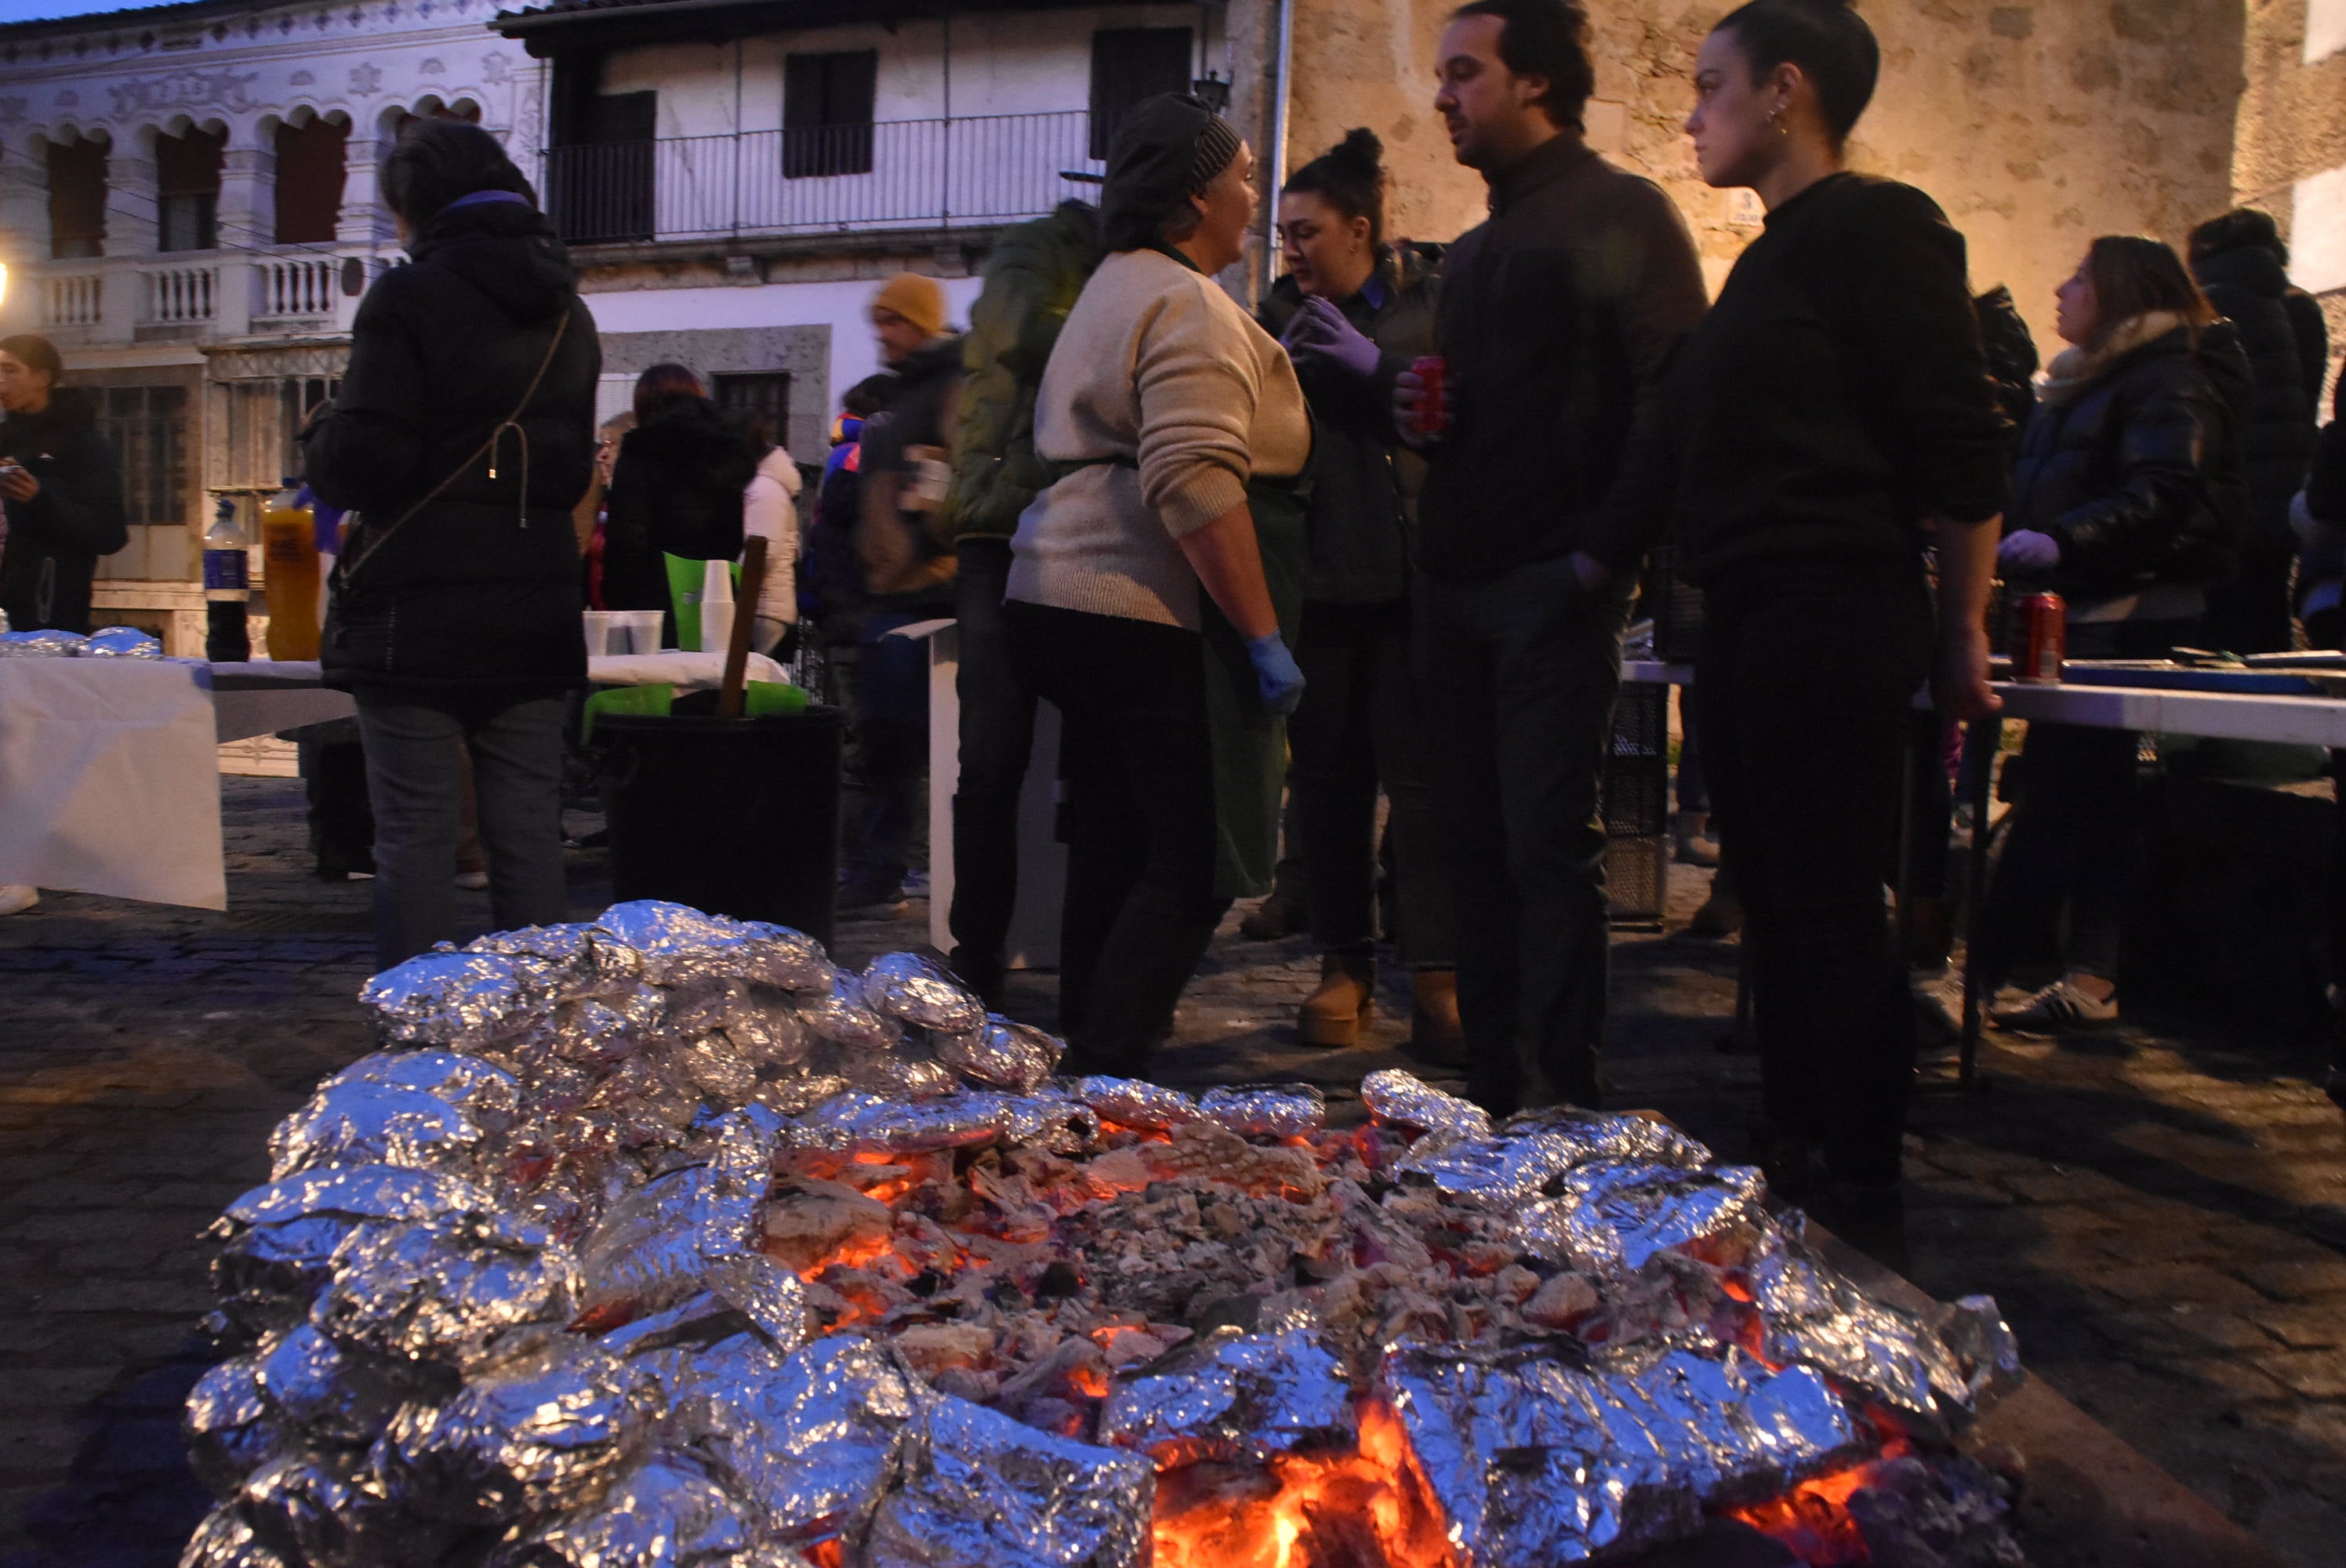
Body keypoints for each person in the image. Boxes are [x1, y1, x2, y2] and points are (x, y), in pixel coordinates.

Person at [1647, 0, 2010, 1248]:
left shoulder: (1878, 226)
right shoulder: (1767, 255)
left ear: (1786, 90)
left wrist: (1963, 626)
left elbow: (1960, 446)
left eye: (1712, 85)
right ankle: (1797, 1152)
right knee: (1779, 900)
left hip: (1830, 602)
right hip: (1750, 611)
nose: (1692, 112)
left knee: (1826, 900)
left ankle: (1858, 1182)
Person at [1393, 0, 1708, 1112]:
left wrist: (1600, 557)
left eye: (1464, 72)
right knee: (1472, 850)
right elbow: (1478, 414)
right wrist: (1422, 410)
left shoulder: (1621, 212)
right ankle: (1492, 1092)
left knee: (1541, 849)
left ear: (1535, 82)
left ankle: (1561, 1096)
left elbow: (1675, 390)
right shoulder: (1475, 251)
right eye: (1442, 75)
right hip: (1464, 582)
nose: (1443, 97)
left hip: (1547, 586)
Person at [1006, 93, 1311, 1078]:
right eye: (1244, 177)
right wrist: (1261, 635)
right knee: (1192, 859)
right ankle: (1108, 1053)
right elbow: (1191, 480)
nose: (1254, 197)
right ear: (1193, 198)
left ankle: (1089, 1043)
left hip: (1060, 594)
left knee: (1113, 834)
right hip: (1138, 603)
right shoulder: (1184, 303)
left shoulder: (1113, 284)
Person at [300, 118, 601, 970]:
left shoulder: (407, 296)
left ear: (416, 208)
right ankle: (540, 1032)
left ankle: (420, 1040)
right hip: (534, 595)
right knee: (528, 835)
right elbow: (571, 466)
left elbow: (366, 460)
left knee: (418, 833)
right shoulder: (566, 309)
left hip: (416, 602)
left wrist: (320, 436)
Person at [1983, 237, 2250, 1036]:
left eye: (2079, 279)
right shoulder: (2090, 381)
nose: (2061, 290)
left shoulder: (2166, 373)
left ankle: (1978, 972)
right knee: (2093, 800)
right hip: (2079, 603)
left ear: (2121, 294)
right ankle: (2083, 976)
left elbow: (2167, 488)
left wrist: (2064, 539)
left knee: (2065, 792)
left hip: (2128, 612)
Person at [1258, 129, 1461, 1054]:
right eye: (1283, 234)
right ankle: (1343, 967)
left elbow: (1456, 427)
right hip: (1323, 589)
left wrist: (1376, 374)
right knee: (1331, 789)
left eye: (1305, 231)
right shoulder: (1274, 317)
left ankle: (1437, 972)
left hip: (1417, 586)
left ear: (1360, 230)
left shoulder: (1430, 308)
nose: (1290, 250)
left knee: (1424, 790)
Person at [943, 197, 1103, 1002]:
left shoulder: (1108, 267)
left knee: (1083, 764)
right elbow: (1010, 339)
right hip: (1006, 529)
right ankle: (977, 955)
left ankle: (1082, 964)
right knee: (995, 761)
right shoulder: (1039, 254)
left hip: (1068, 524)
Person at [839, 274, 964, 913]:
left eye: (893, 322)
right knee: (887, 739)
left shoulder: (949, 386)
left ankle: (900, 867)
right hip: (889, 592)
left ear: (921, 323)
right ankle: (884, 865)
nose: (882, 333)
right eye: (879, 321)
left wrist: (921, 526)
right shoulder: (904, 391)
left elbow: (945, 481)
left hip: (928, 592)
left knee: (911, 741)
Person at [2189, 209, 2326, 655]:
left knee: (2217, 617)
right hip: (2282, 484)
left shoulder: (2206, 311)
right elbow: (2305, 394)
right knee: (2266, 607)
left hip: (2223, 484)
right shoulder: (2298, 305)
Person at [601, 365, 757, 644]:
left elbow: (627, 539)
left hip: (652, 602)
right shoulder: (726, 450)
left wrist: (616, 598)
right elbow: (733, 537)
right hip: (714, 596)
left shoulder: (642, 448)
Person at [0, 334, 127, 639]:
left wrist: (40, 499)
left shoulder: (84, 446)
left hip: (50, 621)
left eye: (9, 370)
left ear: (41, 378)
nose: (0, 380)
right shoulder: (4, 438)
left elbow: (110, 534)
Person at [740, 414, 802, 659]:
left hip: (764, 608)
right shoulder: (766, 486)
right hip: (764, 607)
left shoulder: (765, 490)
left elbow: (761, 554)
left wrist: (726, 581)